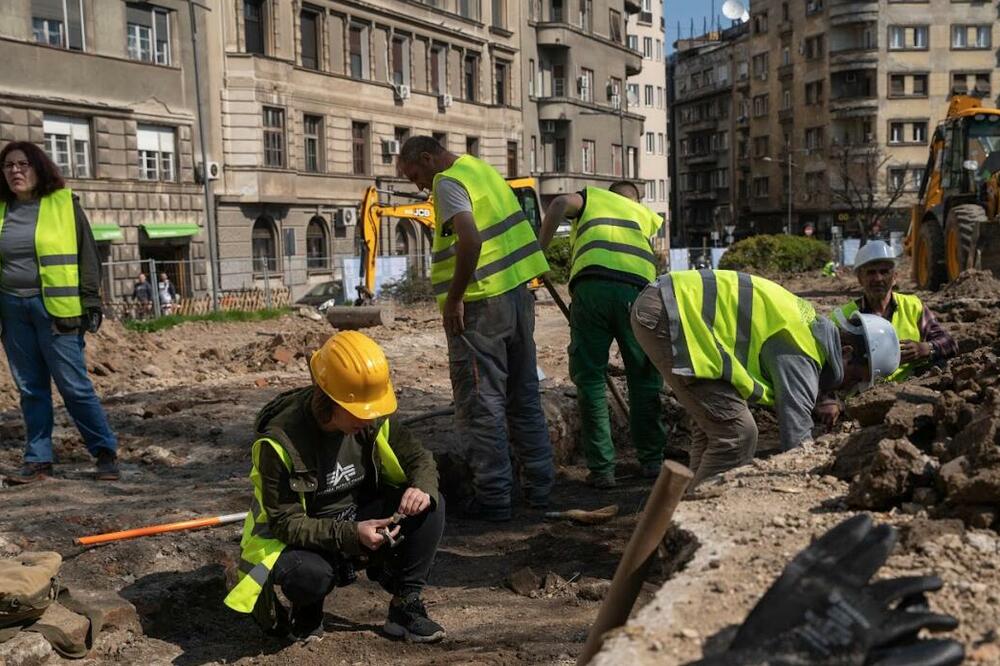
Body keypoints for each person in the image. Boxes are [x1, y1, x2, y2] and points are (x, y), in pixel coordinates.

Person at [224, 331, 446, 644]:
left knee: (431, 506)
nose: (369, 420)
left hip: (360, 515)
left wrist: (421, 488)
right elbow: (286, 524)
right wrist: (351, 535)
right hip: (308, 538)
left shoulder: (370, 416)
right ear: (330, 400)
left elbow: (419, 457)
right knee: (307, 575)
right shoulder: (280, 442)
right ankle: (308, 612)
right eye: (360, 411)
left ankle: (405, 605)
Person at [396, 136, 552, 522]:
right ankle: (541, 489)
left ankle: (494, 498)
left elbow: (471, 239)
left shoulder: (447, 182)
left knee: (481, 404)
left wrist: (454, 297)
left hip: (482, 304)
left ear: (429, 158)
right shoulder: (481, 170)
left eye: (416, 175)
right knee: (523, 396)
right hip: (517, 295)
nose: (418, 186)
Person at [631, 269, 900, 486]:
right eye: (855, 378)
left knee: (713, 427)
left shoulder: (809, 328)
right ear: (847, 352)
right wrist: (822, 480)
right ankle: (695, 517)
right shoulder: (802, 349)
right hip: (671, 313)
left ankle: (678, 515)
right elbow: (796, 442)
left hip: (668, 304)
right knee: (737, 434)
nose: (847, 388)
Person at [0, 141, 118, 484]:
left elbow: (87, 255)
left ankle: (105, 453)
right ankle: (38, 462)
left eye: (23, 164)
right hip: (11, 309)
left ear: (39, 168)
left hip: (58, 311)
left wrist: (91, 301)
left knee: (74, 386)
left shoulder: (64, 203)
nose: (15, 171)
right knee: (30, 389)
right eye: (8, 166)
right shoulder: (2, 209)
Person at [539, 181, 666, 488]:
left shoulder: (592, 199)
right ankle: (652, 461)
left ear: (609, 194)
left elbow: (557, 204)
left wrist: (537, 255)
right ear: (636, 199)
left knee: (591, 378)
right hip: (638, 293)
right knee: (645, 378)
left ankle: (603, 470)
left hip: (592, 288)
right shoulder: (645, 216)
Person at [816, 241, 958, 425]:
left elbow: (949, 343)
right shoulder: (843, 318)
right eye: (871, 272)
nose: (878, 278)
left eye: (884, 271)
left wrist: (927, 348)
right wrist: (828, 400)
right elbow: (823, 369)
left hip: (909, 394)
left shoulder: (913, 306)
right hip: (861, 400)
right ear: (860, 278)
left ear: (895, 276)